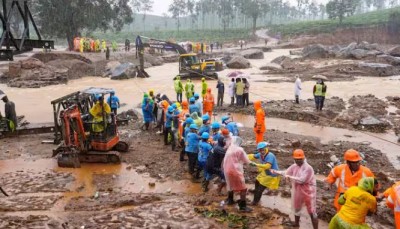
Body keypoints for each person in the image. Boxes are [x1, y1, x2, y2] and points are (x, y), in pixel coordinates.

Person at [284, 149, 318, 229]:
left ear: (303, 158)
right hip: (298, 190)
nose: (298, 161)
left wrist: (289, 177)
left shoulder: (308, 168)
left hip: (309, 192)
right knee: (297, 207)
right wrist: (276, 172)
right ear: (294, 159)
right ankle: (296, 224)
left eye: (300, 159)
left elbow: (302, 180)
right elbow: (287, 172)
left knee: (312, 211)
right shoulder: (294, 166)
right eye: (296, 159)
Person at [223, 136, 254, 212]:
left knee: (230, 185)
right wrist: (256, 164)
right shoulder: (240, 149)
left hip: (226, 169)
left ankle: (230, 200)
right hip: (235, 171)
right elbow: (247, 161)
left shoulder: (229, 148)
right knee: (243, 189)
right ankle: (243, 207)